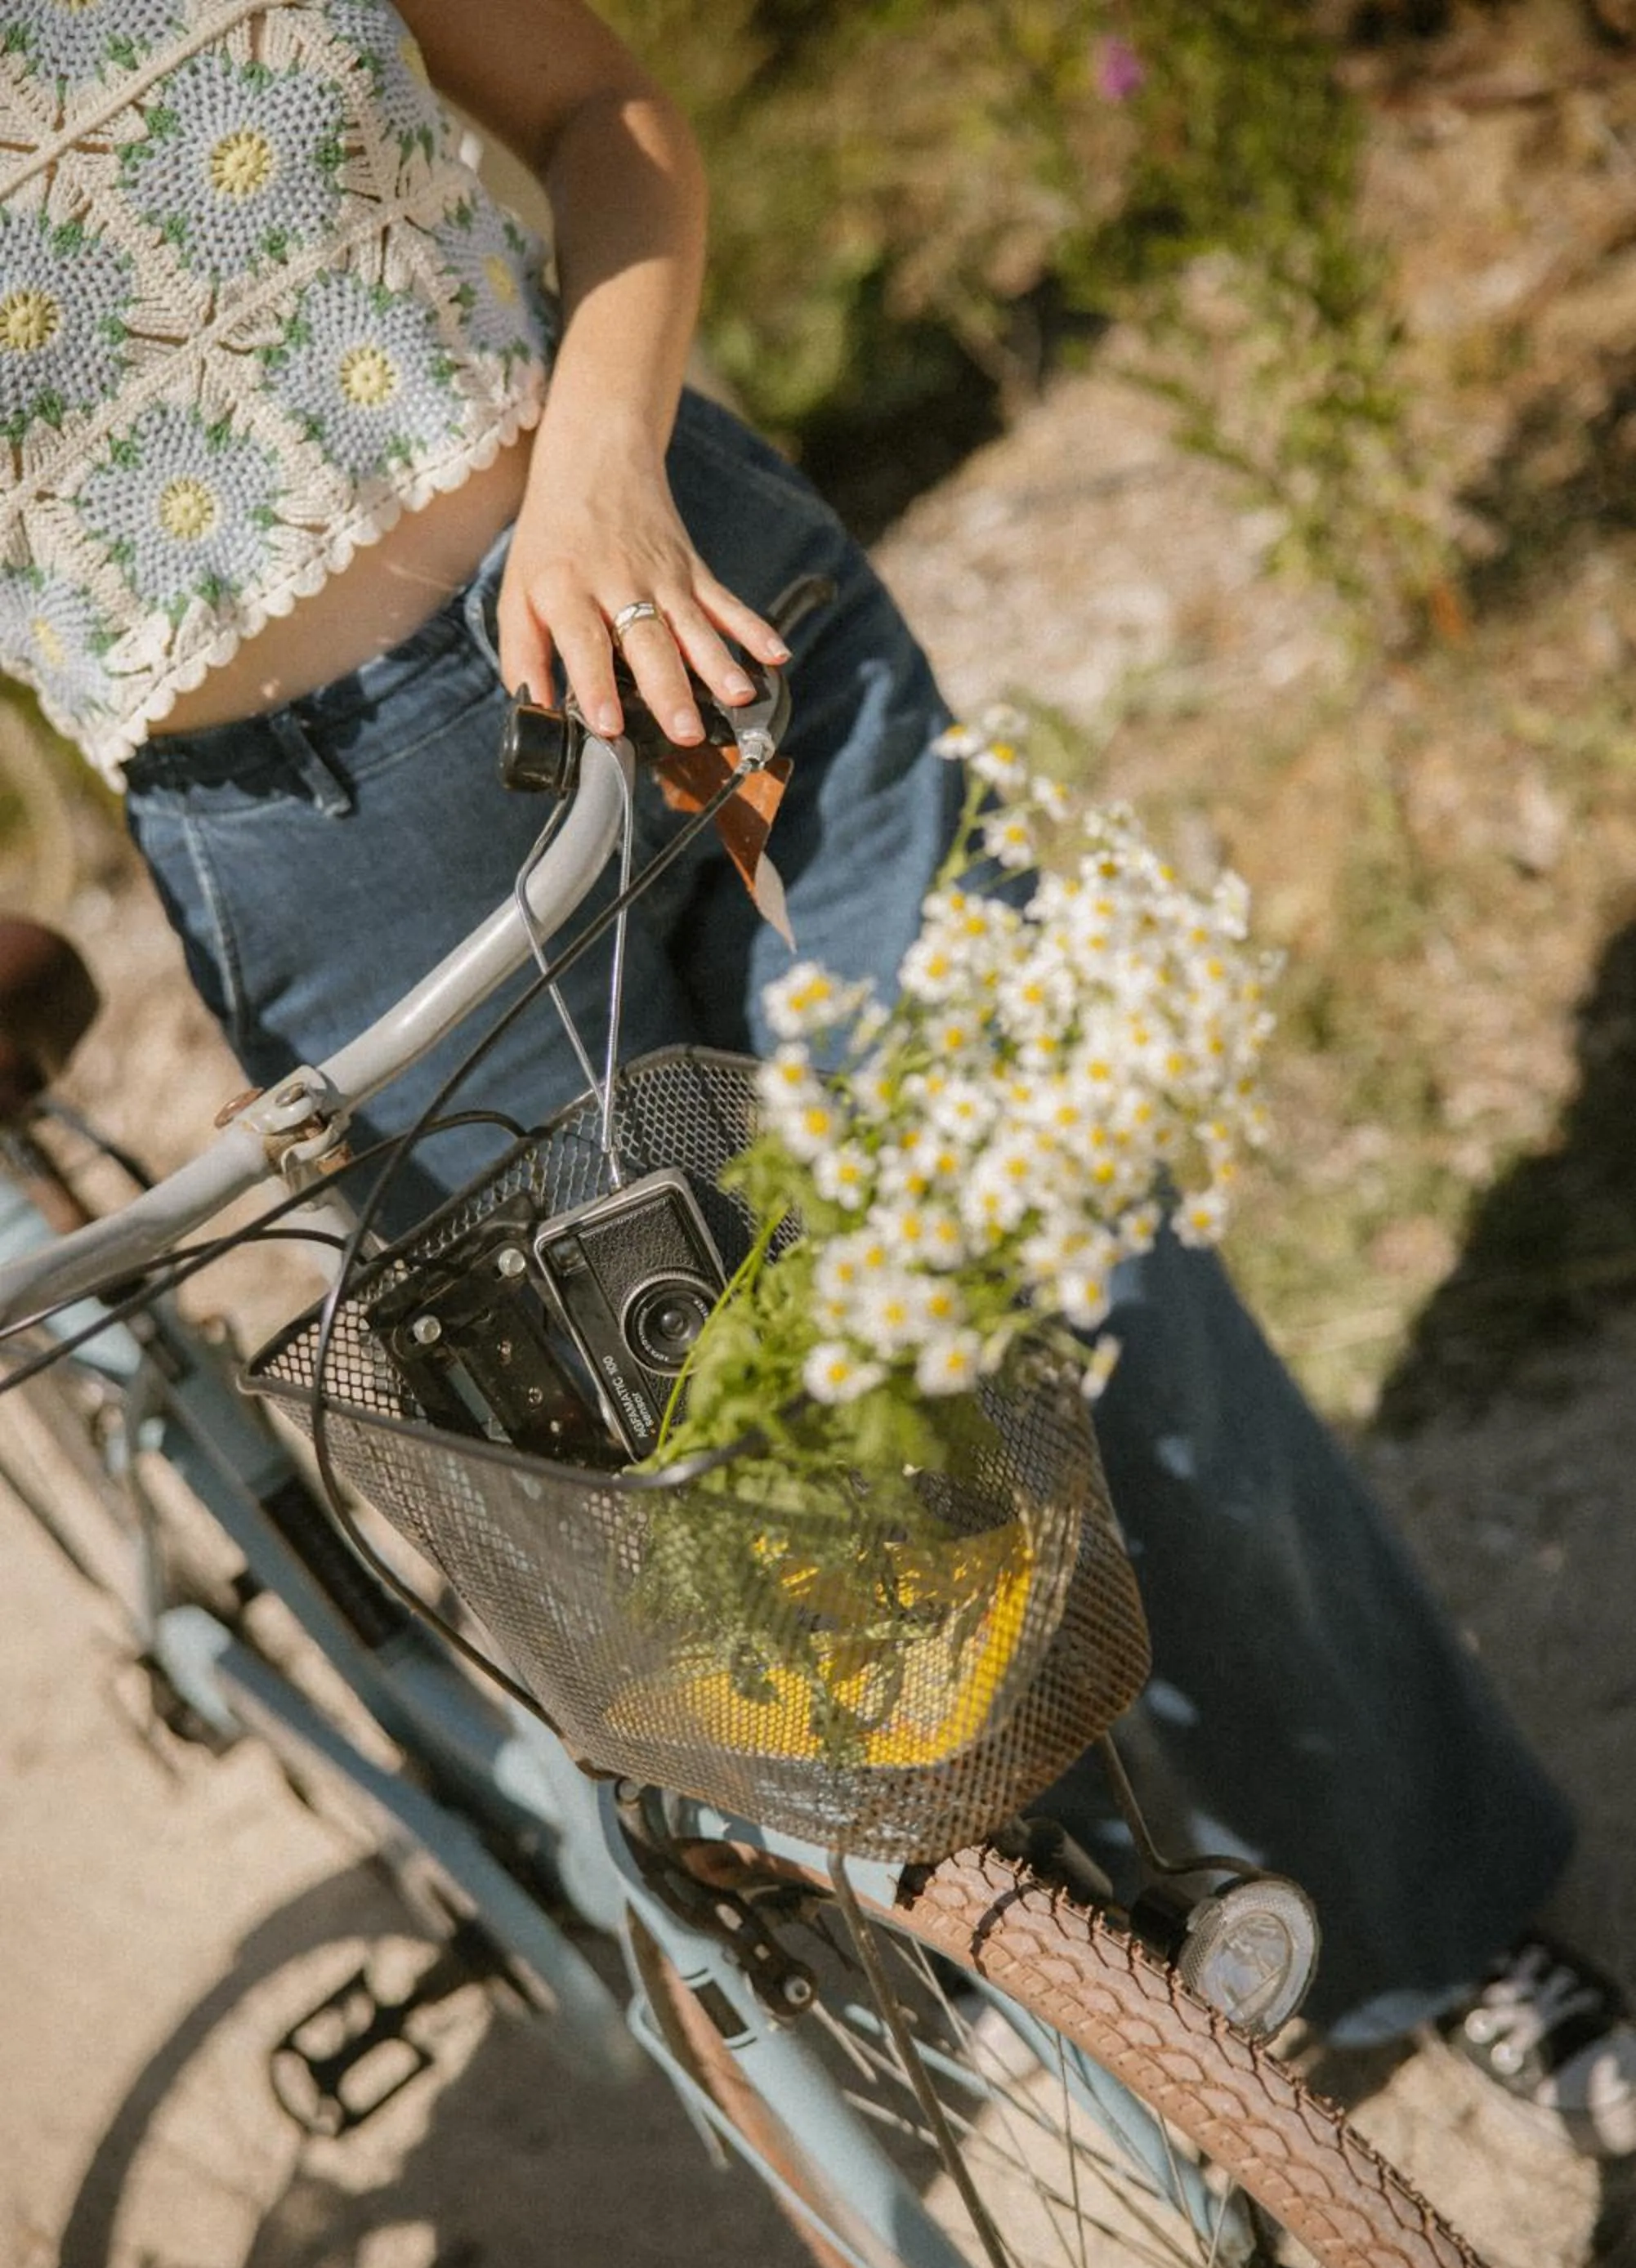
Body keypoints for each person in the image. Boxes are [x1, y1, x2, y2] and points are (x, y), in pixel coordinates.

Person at [2, 0, 1630, 2150]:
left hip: (682, 582)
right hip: (332, 864)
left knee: (1091, 1272)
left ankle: (1430, 1921)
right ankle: (1112, 2020)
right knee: (789, 1530)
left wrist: (594, 465)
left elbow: (607, 112)